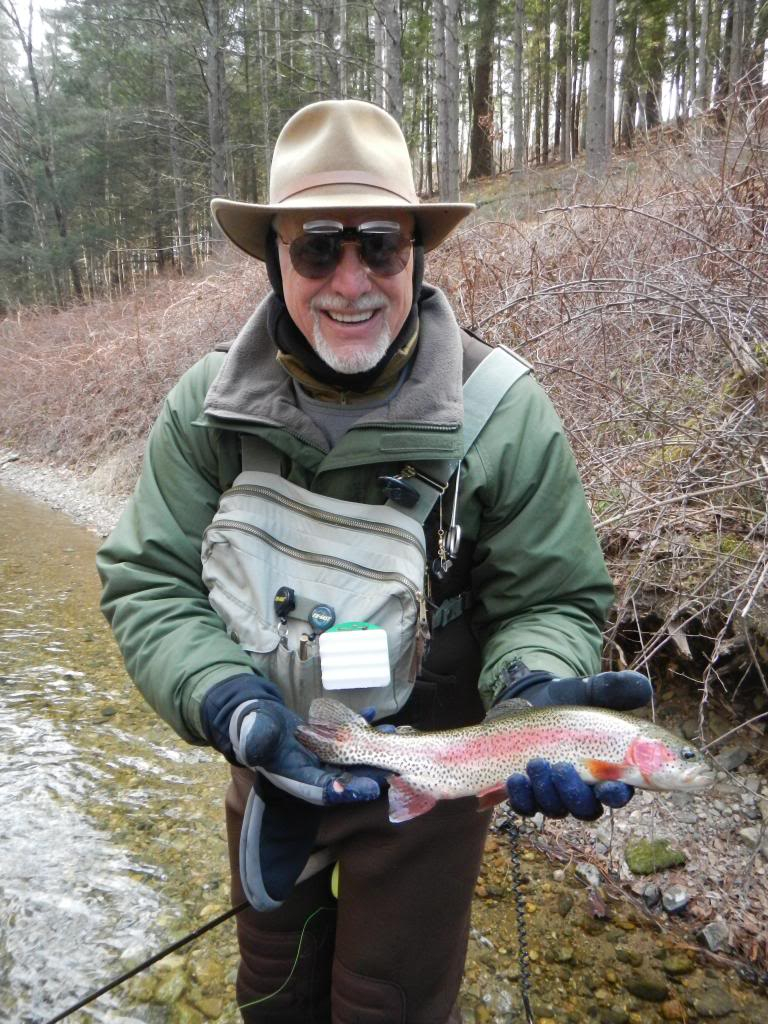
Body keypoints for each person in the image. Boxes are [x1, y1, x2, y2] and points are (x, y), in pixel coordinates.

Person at [97, 99, 652, 1024]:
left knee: (385, 1006)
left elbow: (551, 597)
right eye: (318, 248)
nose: (351, 281)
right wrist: (233, 708)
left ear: (416, 256)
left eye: (381, 248)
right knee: (272, 994)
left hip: (438, 777)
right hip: (274, 767)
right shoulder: (206, 408)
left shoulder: (504, 412)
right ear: (273, 256)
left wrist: (536, 688)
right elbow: (149, 582)